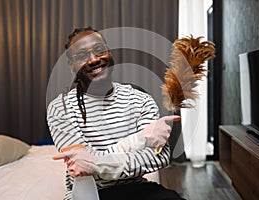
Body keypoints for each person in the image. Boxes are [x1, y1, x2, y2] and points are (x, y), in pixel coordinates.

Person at [47, 26, 185, 200]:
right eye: (82, 56)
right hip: (90, 192)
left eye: (99, 50)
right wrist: (141, 138)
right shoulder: (60, 108)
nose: (93, 59)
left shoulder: (140, 100)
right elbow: (81, 166)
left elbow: (159, 158)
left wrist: (95, 164)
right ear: (71, 66)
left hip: (137, 188)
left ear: (110, 54)